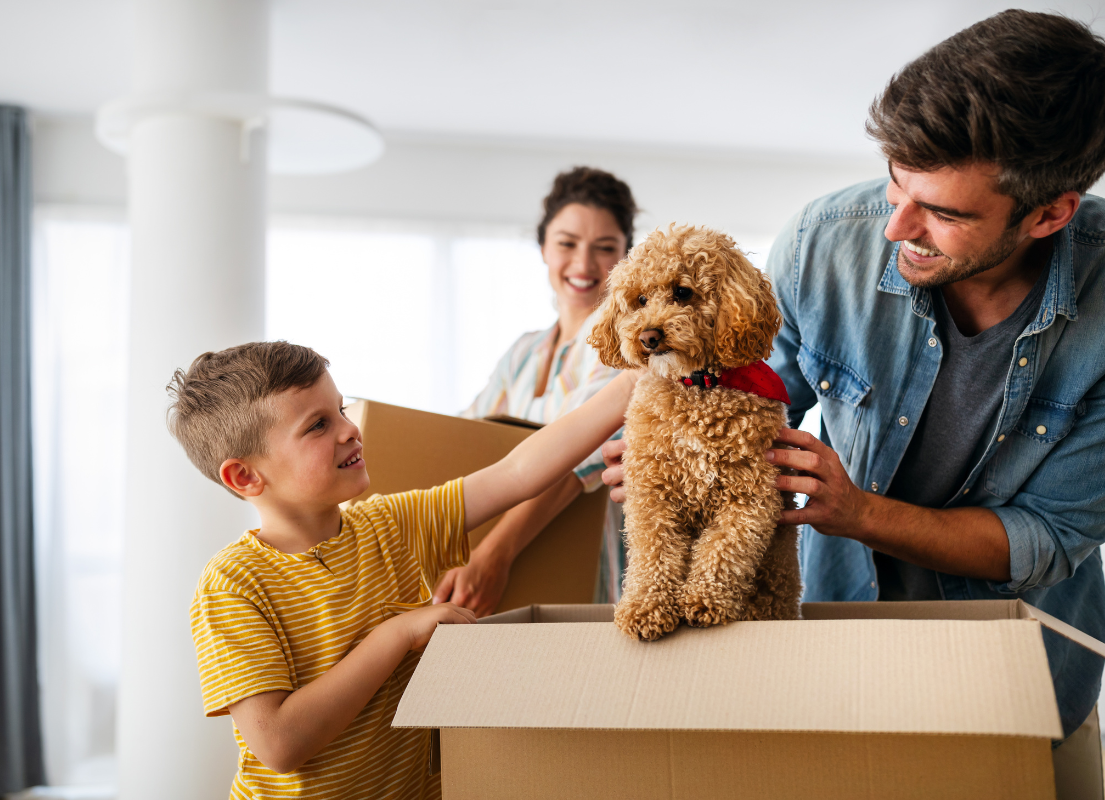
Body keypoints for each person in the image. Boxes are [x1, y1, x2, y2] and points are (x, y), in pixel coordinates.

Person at [603, 10, 1105, 737]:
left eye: (939, 212)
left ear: (1049, 215)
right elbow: (723, 381)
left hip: (1019, 666)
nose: (896, 228)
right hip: (836, 634)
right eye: (896, 185)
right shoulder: (822, 244)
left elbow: (1050, 537)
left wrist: (860, 513)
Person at [172, 341, 634, 799]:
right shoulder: (232, 584)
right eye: (318, 425)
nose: (349, 430)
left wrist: (631, 385)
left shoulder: (391, 524)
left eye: (341, 409)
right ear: (245, 477)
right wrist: (397, 634)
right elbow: (279, 743)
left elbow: (516, 473)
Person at [433, 166, 637, 616]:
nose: (584, 266)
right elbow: (464, 433)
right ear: (543, 246)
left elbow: (577, 457)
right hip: (526, 579)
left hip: (595, 576)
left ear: (627, 258)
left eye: (605, 249)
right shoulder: (524, 351)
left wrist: (495, 555)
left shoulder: (629, 349)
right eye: (566, 244)